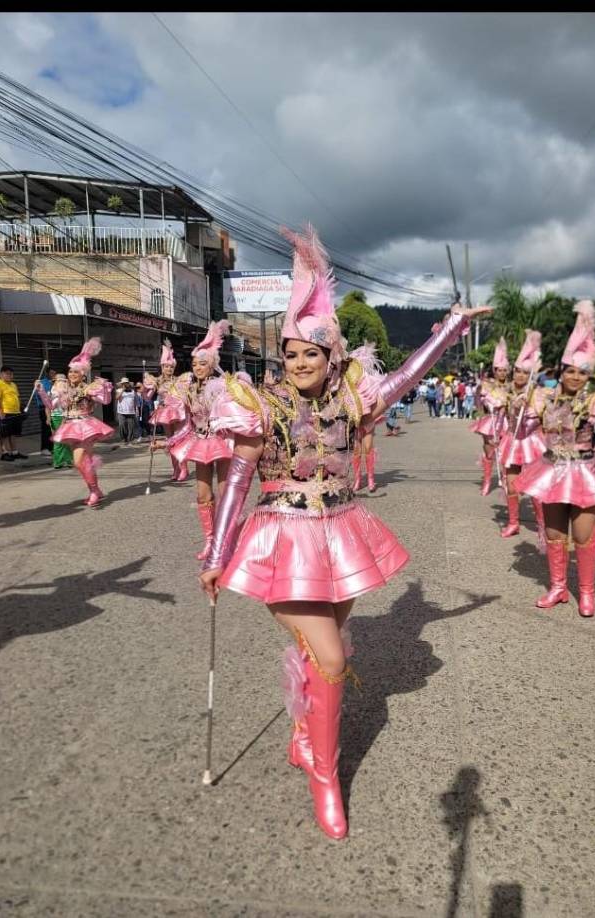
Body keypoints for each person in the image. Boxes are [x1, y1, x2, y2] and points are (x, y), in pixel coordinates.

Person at [199, 225, 491, 840]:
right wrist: (215, 552)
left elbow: (406, 376)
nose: (300, 363)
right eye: (291, 355)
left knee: (323, 650)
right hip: (282, 543)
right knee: (331, 655)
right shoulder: (260, 407)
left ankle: (304, 734)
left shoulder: (351, 403)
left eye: (311, 353)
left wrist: (452, 327)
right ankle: (326, 777)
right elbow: (236, 483)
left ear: (331, 356)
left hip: (340, 536)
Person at [513, 302, 595, 617]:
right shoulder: (543, 398)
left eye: (582, 372)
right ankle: (558, 588)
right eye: (570, 370)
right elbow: (523, 431)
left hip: (585, 471)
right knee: (555, 534)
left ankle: (586, 592)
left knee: (583, 535)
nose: (575, 376)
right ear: (562, 371)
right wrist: (519, 411)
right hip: (552, 469)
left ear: (588, 376)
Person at [156, 320, 233, 559]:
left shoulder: (223, 387)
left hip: (223, 442)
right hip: (201, 442)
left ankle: (227, 540)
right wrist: (167, 442)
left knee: (225, 494)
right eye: (194, 364)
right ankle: (210, 541)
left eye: (203, 363)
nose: (198, 367)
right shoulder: (188, 390)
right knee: (202, 494)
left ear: (212, 365)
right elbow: (187, 426)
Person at [35, 339, 114, 506]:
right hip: (70, 426)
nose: (72, 374)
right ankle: (96, 490)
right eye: (70, 371)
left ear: (83, 374)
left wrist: (106, 389)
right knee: (87, 461)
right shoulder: (64, 390)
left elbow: (106, 401)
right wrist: (41, 392)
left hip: (86, 425)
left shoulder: (88, 388)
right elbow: (51, 406)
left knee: (79, 462)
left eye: (76, 372)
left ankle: (94, 491)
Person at [496, 331, 546, 540]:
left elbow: (540, 419)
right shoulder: (506, 391)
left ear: (530, 375)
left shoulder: (538, 394)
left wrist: (527, 411)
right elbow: (498, 413)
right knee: (511, 485)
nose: (520, 376)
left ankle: (542, 527)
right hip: (512, 442)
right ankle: (513, 523)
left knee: (534, 487)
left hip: (531, 442)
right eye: (517, 371)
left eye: (525, 373)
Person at [142, 339, 190, 482]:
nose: (169, 369)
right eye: (166, 367)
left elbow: (185, 395)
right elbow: (147, 397)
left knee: (178, 440)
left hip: (178, 412)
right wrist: (145, 389)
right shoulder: (156, 381)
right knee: (170, 441)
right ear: (162, 367)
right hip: (165, 412)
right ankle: (175, 469)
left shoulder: (178, 380)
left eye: (171, 367)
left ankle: (183, 468)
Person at [469, 339, 510, 495]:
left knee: (505, 452)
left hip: (506, 422)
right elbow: (480, 400)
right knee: (489, 451)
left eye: (504, 370)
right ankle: (487, 481)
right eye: (499, 370)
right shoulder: (487, 384)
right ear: (494, 370)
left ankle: (505, 480)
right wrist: (486, 403)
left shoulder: (511, 386)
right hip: (491, 420)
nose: (502, 373)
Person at [0, 366, 28, 461]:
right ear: (1, 374)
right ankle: (5, 453)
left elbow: (17, 397)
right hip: (5, 413)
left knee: (13, 434)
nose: (10, 375)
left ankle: (14, 452)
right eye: (7, 373)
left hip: (16, 413)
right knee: (4, 435)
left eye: (11, 374)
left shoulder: (13, 384)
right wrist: (0, 412)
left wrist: (21, 410)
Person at [49, 373, 74, 470]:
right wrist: (48, 418)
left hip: (66, 417)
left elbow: (69, 406)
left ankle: (68, 460)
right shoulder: (52, 392)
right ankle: (58, 461)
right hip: (56, 417)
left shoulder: (67, 391)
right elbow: (48, 406)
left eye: (63, 381)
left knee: (67, 439)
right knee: (59, 440)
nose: (61, 383)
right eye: (59, 381)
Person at [36, 367, 57, 456]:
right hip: (43, 408)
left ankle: (51, 448)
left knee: (52, 428)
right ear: (47, 373)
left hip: (54, 408)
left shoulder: (55, 382)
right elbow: (40, 395)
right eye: (52, 373)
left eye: (54, 373)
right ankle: (44, 448)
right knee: (46, 428)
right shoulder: (42, 383)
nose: (53, 375)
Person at [116, 378, 136, 446]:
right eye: (123, 383)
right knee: (122, 425)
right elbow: (117, 398)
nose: (125, 384)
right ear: (122, 384)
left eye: (126, 383)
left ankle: (130, 440)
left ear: (128, 384)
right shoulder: (119, 390)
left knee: (131, 426)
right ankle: (124, 439)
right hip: (121, 411)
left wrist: (136, 409)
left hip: (131, 411)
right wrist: (122, 390)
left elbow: (134, 401)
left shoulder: (132, 391)